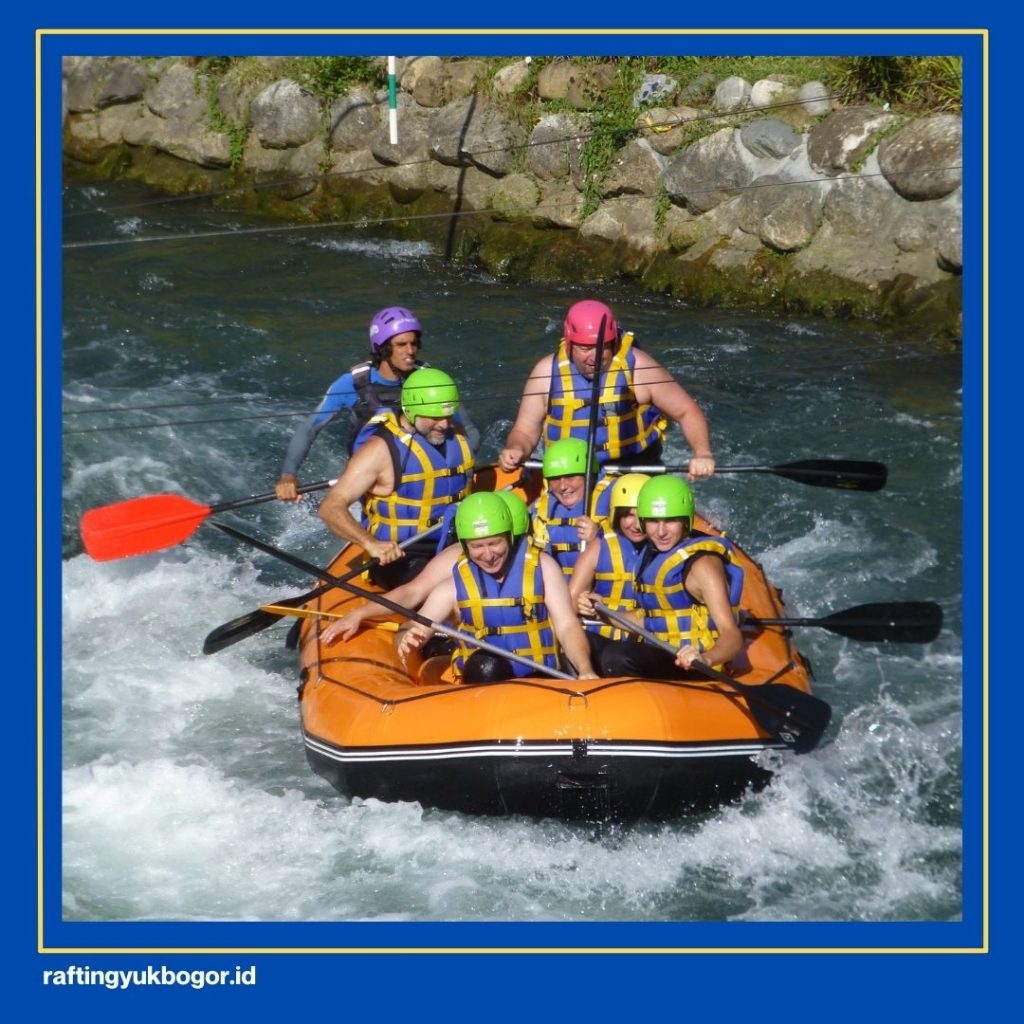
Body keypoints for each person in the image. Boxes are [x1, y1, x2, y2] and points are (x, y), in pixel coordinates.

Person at [276, 306, 480, 501]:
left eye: (414, 343)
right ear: (382, 349)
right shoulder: (352, 384)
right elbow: (308, 429)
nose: (411, 351)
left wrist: (462, 473)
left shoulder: (431, 381)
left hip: (424, 472)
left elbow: (470, 431)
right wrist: (288, 475)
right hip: (374, 477)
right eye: (401, 345)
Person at [498, 298, 715, 479]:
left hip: (631, 471)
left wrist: (702, 453)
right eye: (585, 348)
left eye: (602, 348)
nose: (593, 357)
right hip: (571, 476)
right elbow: (525, 430)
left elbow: (687, 411)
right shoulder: (546, 372)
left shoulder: (640, 368)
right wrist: (517, 449)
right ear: (570, 343)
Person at [396, 492, 597, 683]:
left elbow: (567, 626)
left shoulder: (543, 568)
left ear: (509, 537)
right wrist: (406, 639)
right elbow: (414, 628)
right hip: (484, 687)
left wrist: (585, 668)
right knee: (486, 666)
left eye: (494, 543)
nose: (488, 555)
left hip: (539, 681)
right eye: (477, 546)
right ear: (465, 547)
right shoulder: (451, 589)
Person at [317, 367, 474, 589]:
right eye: (435, 417)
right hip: (402, 554)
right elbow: (330, 507)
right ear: (410, 409)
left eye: (448, 415)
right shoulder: (380, 450)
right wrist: (371, 544)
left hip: (454, 541)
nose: (444, 424)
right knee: (450, 587)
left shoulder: (454, 435)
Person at [321, 489, 532, 645]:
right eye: (480, 543)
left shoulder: (541, 564)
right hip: (468, 646)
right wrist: (360, 614)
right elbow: (412, 592)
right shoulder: (456, 559)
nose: (489, 555)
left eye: (497, 542)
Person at [599, 475, 745, 680]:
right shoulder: (652, 553)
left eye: (670, 521)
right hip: (661, 652)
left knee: (617, 657)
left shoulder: (703, 566)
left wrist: (706, 659)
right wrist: (600, 611)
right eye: (653, 521)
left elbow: (732, 634)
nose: (660, 532)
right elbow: (651, 621)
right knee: (587, 643)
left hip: (696, 666)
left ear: (686, 521)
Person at [568, 472, 650, 670]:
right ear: (617, 515)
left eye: (643, 515)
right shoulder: (599, 546)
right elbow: (571, 599)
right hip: (603, 636)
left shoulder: (663, 550)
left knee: (616, 659)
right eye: (629, 515)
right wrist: (581, 604)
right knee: (572, 648)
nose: (636, 524)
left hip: (646, 643)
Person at [530, 437, 612, 580]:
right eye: (555, 479)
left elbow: (629, 560)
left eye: (570, 477)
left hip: (594, 593)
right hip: (556, 593)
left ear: (590, 476)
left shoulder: (613, 505)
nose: (562, 487)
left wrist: (598, 540)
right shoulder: (538, 511)